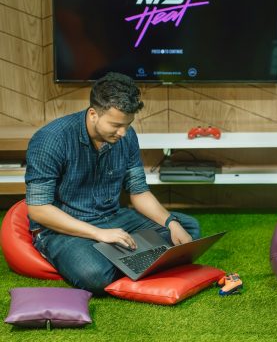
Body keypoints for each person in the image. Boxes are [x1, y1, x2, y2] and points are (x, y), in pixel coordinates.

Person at [25, 72, 200, 294]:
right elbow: (38, 210)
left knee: (187, 228)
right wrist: (99, 234)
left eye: (128, 124)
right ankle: (134, 257)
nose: (123, 132)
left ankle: (122, 257)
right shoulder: (51, 140)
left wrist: (171, 222)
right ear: (93, 114)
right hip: (63, 229)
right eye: (116, 125)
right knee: (94, 274)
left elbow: (139, 192)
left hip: (113, 218)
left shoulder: (127, 136)